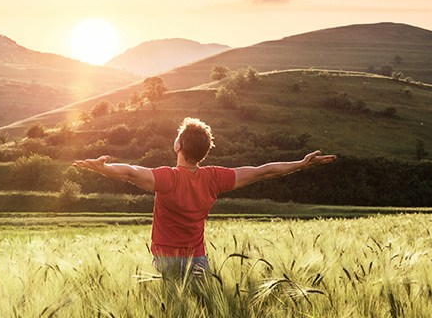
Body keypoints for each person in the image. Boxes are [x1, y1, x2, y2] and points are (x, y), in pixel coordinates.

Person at [72, 117, 336, 279]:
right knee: (203, 311)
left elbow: (131, 172)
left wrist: (103, 168)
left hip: (166, 258)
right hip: (198, 258)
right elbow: (261, 172)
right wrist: (301, 164)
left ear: (178, 146)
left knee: (173, 315)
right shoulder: (214, 178)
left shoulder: (168, 178)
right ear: (204, 152)